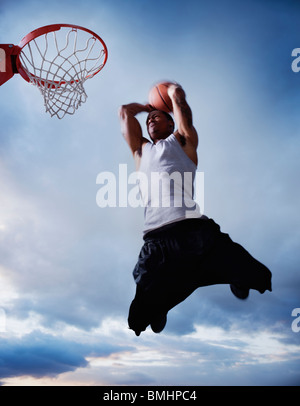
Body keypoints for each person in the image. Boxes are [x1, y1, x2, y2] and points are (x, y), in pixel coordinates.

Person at [119, 83, 272, 336]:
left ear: (171, 125)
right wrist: (147, 108)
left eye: (158, 117)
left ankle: (237, 277)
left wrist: (172, 91)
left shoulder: (183, 142)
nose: (150, 120)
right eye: (148, 120)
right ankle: (159, 307)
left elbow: (178, 100)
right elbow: (125, 112)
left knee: (255, 274)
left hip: (194, 231)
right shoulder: (141, 152)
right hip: (157, 240)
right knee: (139, 317)